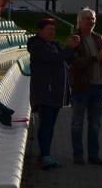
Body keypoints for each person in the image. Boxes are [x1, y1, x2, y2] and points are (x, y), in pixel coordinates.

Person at [28, 18, 79, 169]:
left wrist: (73, 48)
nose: (52, 32)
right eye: (49, 29)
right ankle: (44, 156)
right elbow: (55, 58)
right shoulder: (37, 45)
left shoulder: (53, 45)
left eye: (53, 30)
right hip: (45, 92)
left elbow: (66, 59)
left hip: (55, 93)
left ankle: (45, 155)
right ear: (40, 31)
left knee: (50, 126)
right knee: (46, 125)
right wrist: (68, 48)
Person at [69, 7, 102, 166]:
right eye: (87, 19)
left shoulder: (98, 38)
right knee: (77, 122)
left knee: (95, 123)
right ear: (80, 21)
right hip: (81, 87)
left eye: (93, 19)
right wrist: (96, 57)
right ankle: (78, 155)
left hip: (97, 86)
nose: (91, 22)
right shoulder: (74, 39)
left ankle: (93, 155)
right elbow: (76, 63)